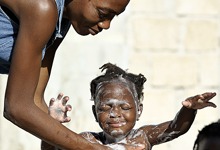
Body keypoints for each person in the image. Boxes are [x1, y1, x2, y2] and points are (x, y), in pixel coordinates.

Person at [0, 0, 146, 150]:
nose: (106, 25)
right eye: (102, 13)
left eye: (113, 17)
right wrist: (94, 148)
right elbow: (17, 107)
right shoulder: (42, 8)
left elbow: (35, 100)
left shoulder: (62, 21)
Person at [46, 62, 217, 150]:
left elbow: (175, 128)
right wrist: (52, 125)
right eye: (105, 108)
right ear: (94, 112)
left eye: (125, 107)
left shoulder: (143, 136)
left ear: (139, 110)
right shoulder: (88, 140)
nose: (115, 114)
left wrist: (189, 109)